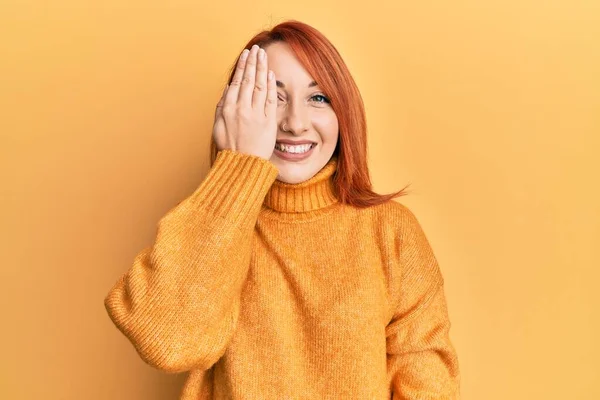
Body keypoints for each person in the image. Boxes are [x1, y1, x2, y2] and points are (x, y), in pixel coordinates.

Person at [104, 19, 461, 399]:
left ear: (344, 113)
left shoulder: (390, 231)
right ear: (238, 111)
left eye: (318, 97)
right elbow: (170, 342)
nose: (294, 123)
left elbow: (429, 386)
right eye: (272, 98)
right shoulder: (207, 223)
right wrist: (238, 168)